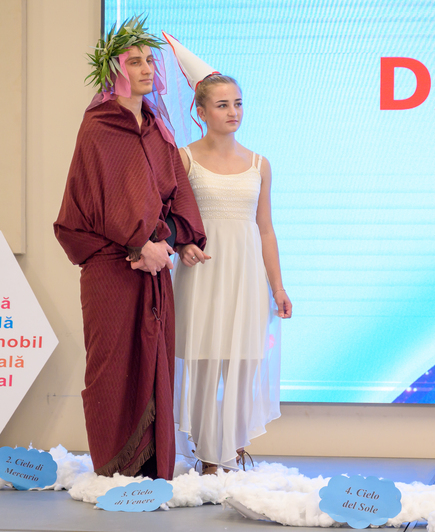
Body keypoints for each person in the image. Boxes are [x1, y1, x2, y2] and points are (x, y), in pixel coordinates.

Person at [54, 18, 205, 480]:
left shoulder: (157, 127)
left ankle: (152, 470)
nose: (146, 69)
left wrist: (172, 239)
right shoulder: (99, 126)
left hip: (153, 266)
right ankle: (113, 470)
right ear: (113, 70)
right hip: (111, 269)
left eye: (150, 61)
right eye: (134, 61)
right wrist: (140, 243)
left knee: (154, 359)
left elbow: (176, 191)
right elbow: (102, 196)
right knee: (111, 367)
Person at [163, 34, 292, 475]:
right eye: (222, 105)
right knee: (202, 360)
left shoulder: (259, 164)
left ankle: (232, 451)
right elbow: (168, 218)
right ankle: (206, 456)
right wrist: (183, 245)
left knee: (243, 359)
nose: (233, 112)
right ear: (200, 111)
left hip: (247, 275)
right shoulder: (183, 159)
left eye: (238, 103)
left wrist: (278, 287)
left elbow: (265, 229)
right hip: (203, 273)